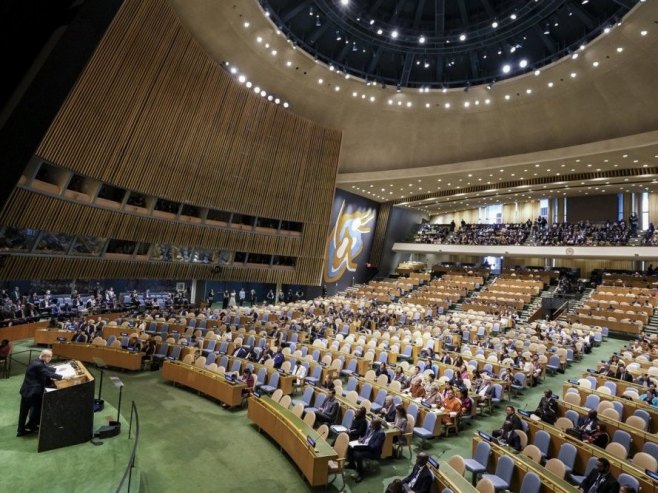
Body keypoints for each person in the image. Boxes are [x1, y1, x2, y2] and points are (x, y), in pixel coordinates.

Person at [17, 349, 68, 436]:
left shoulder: (37, 361)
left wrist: (58, 369)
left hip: (26, 390)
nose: (51, 359)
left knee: (24, 412)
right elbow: (47, 373)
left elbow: (46, 368)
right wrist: (64, 376)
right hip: (33, 393)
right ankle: (31, 426)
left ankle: (22, 429)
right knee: (35, 410)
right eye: (50, 357)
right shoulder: (39, 365)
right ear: (45, 356)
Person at [346, 418, 386, 482]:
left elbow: (375, 447)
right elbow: (367, 436)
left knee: (358, 455)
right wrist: (362, 439)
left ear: (377, 425)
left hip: (373, 452)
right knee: (350, 446)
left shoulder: (381, 433)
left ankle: (360, 474)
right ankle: (352, 464)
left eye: (372, 424)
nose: (370, 425)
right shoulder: (372, 428)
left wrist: (364, 446)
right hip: (365, 445)